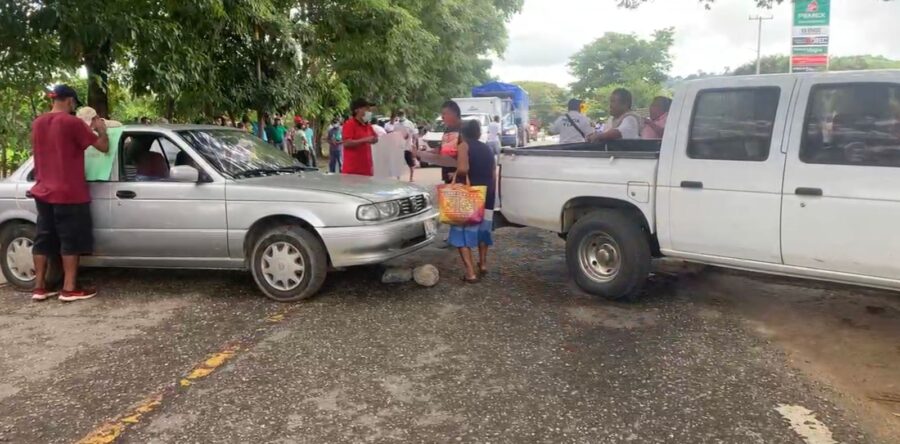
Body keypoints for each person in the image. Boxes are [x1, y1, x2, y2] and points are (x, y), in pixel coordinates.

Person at [30, 85, 110, 302]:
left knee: (43, 239)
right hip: (69, 192)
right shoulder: (72, 122)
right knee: (70, 240)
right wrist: (101, 129)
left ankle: (39, 288)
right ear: (70, 101)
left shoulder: (38, 123)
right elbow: (102, 147)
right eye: (74, 103)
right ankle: (69, 288)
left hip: (43, 190)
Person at [448, 119, 496, 283]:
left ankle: (470, 273)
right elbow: (493, 173)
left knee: (460, 234)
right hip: (487, 193)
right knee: (483, 230)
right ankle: (482, 264)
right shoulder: (487, 148)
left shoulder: (464, 146)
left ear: (463, 133)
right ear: (479, 133)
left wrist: (452, 174)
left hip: (469, 195)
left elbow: (463, 169)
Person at [342, 98, 378, 176]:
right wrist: (365, 140)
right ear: (357, 110)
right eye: (367, 109)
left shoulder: (368, 125)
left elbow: (375, 137)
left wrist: (375, 139)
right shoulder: (349, 124)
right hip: (352, 172)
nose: (369, 112)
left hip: (367, 170)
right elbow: (346, 143)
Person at [440, 100, 463, 184]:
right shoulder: (447, 130)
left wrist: (457, 173)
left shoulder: (464, 129)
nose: (442, 117)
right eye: (442, 114)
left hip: (460, 178)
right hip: (448, 176)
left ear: (455, 114)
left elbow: (470, 154)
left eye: (445, 113)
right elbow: (442, 150)